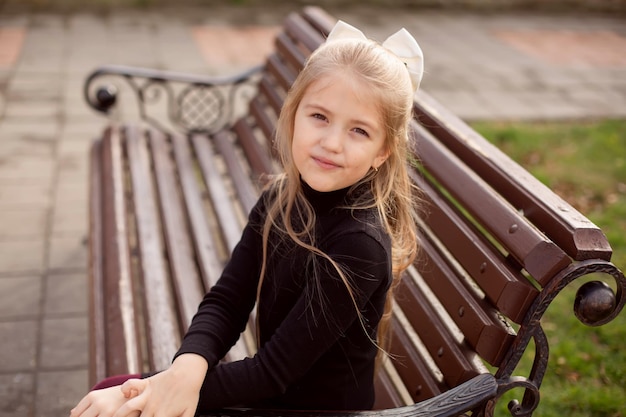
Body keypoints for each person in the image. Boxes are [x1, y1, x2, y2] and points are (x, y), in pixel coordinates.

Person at [70, 19, 424, 417]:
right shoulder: (281, 198)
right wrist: (186, 367)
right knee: (113, 393)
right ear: (293, 115)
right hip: (268, 394)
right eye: (319, 117)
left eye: (359, 130)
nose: (331, 142)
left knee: (119, 401)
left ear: (382, 153)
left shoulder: (358, 246)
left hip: (308, 409)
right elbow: (227, 301)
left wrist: (155, 390)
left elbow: (273, 371)